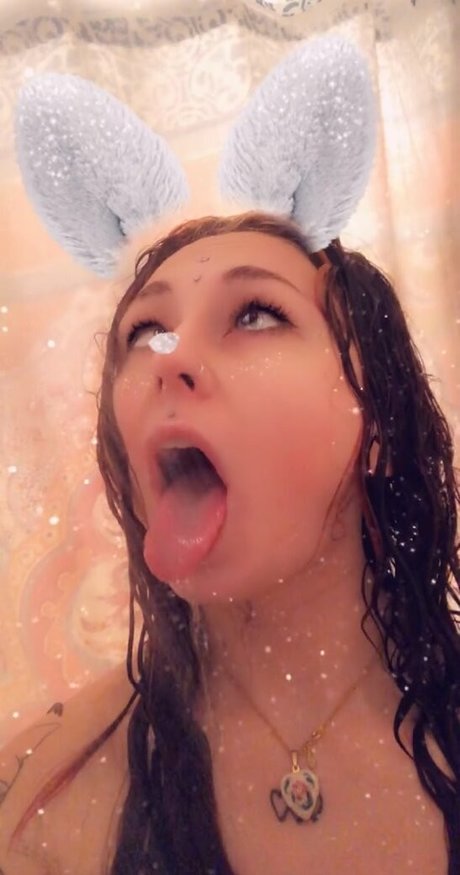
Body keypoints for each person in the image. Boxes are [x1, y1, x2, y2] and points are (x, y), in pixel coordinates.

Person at [2, 32, 460, 875]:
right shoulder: (46, 797)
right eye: (145, 329)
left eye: (255, 314)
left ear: (378, 423)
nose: (169, 356)